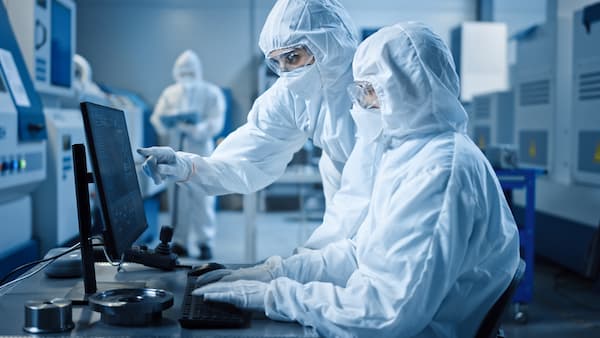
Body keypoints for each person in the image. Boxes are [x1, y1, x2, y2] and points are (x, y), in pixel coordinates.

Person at [194, 22, 521, 338]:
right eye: (360, 90)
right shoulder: (410, 154)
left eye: (369, 91)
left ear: (408, 90)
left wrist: (275, 297)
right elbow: (361, 253)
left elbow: (384, 314)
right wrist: (276, 273)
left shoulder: (438, 173)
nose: (361, 104)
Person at [138, 0, 360, 251]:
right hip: (342, 208)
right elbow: (251, 154)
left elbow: (372, 193)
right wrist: (186, 165)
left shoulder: (376, 87)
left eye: (293, 57)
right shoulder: (290, 95)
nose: (285, 72)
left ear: (328, 44)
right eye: (277, 63)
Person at [149, 50, 226, 259]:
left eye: (190, 71)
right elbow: (157, 119)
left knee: (203, 197)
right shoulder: (169, 93)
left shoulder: (211, 92)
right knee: (177, 199)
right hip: (175, 150)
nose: (186, 74)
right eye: (183, 71)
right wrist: (170, 123)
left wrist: (197, 129)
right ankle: (179, 241)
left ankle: (204, 242)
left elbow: (216, 121)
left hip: (201, 151)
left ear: (198, 70)